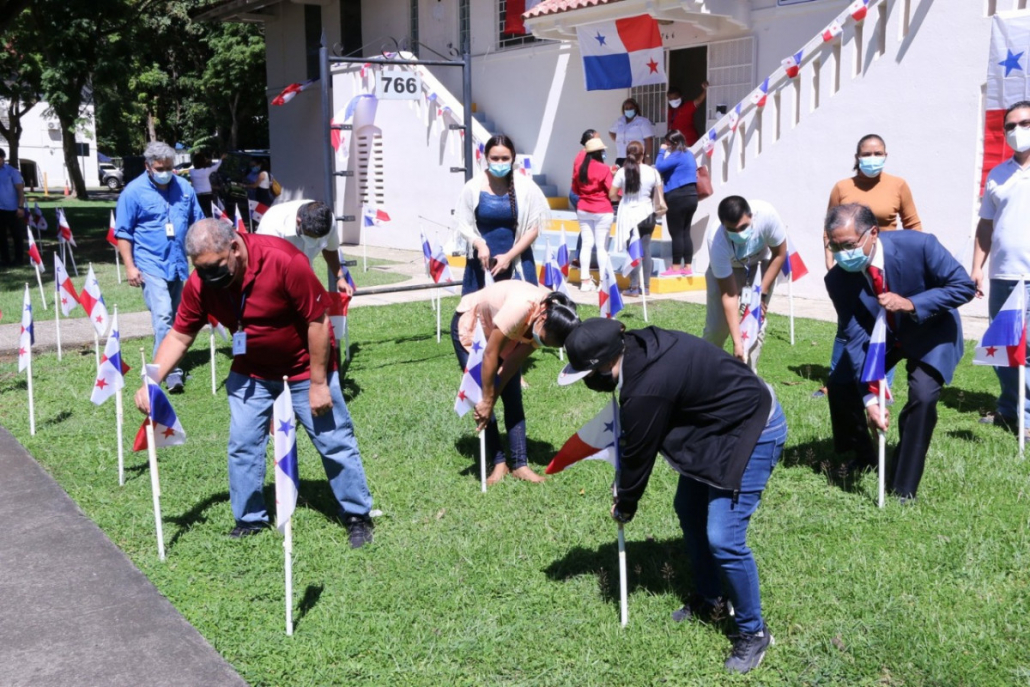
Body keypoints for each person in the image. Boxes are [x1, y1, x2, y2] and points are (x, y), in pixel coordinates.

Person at [558, 317, 787, 675]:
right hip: (716, 426)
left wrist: (626, 503)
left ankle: (753, 632)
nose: (587, 382)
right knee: (688, 509)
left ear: (603, 365)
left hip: (754, 426)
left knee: (724, 538)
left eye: (586, 374)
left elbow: (638, 454)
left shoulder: (645, 387)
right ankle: (711, 598)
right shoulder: (633, 347)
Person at [133, 219, 376, 545]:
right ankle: (249, 520)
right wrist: (152, 381)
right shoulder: (201, 283)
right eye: (200, 269)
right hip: (251, 373)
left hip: (305, 370)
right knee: (243, 445)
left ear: (234, 247)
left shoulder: (285, 261)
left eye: (215, 267)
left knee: (334, 443)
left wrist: (319, 384)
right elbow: (180, 334)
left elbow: (317, 323)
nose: (208, 276)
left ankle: (357, 515)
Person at [825, 204, 975, 503]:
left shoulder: (920, 245)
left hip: (931, 332)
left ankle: (903, 487)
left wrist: (911, 303)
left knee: (922, 396)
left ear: (873, 234)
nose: (843, 254)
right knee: (841, 384)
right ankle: (864, 454)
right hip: (883, 338)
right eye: (835, 246)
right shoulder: (838, 279)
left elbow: (963, 287)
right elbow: (854, 337)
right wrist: (869, 399)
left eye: (849, 245)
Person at [815, 134, 923, 398]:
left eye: (878, 153)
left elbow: (914, 226)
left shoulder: (898, 185)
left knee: (887, 324)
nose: (872, 158)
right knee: (847, 325)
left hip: (886, 267)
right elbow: (829, 226)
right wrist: (830, 258)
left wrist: (913, 262)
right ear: (857, 157)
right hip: (851, 266)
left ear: (886, 156)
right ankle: (836, 382)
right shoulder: (842, 187)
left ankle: (881, 384)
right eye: (867, 154)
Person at [452, 280, 579, 485]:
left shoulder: (551, 319)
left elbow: (513, 361)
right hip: (474, 328)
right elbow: (490, 353)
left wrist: (492, 397)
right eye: (544, 340)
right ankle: (498, 463)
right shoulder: (521, 307)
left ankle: (520, 465)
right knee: (482, 393)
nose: (542, 343)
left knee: (512, 396)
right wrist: (487, 399)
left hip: (506, 333)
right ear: (542, 318)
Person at [115, 141, 204, 393]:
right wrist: (130, 267)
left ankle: (166, 360)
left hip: (177, 264)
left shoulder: (185, 188)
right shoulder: (133, 192)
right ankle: (167, 371)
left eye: (169, 167)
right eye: (159, 167)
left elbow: (197, 223)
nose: (165, 171)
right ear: (148, 166)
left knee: (175, 317)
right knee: (163, 315)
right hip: (149, 263)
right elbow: (123, 233)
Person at [972, 100, 1030, 433]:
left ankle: (1028, 416)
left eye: (1024, 123)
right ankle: (1009, 408)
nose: (1016, 131)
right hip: (1003, 276)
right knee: (1005, 347)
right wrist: (977, 267)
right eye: (1010, 126)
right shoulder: (998, 174)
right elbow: (985, 227)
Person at [455, 134, 548, 295]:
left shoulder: (527, 188)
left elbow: (534, 228)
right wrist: (479, 244)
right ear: (486, 158)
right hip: (482, 263)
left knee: (521, 313)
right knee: (477, 314)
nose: (500, 163)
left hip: (518, 261)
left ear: (513, 158)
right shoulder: (472, 187)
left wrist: (508, 257)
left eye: (505, 158)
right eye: (495, 158)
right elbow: (464, 224)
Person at [702, 196, 787, 371]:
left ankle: (749, 377)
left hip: (759, 267)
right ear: (723, 226)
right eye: (732, 230)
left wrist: (762, 294)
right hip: (727, 271)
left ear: (751, 216)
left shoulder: (767, 215)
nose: (739, 233)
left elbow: (780, 254)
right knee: (716, 328)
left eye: (744, 227)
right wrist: (737, 342)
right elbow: (729, 295)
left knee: (755, 323)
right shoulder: (716, 241)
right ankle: (706, 373)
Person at [255, 199, 354, 296]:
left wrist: (340, 278)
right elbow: (269, 266)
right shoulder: (272, 225)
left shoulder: (327, 220)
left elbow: (330, 249)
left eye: (319, 239)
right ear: (298, 222)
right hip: (274, 277)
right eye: (310, 237)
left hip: (305, 274)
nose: (315, 242)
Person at [609, 140, 664, 297]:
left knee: (632, 251)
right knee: (646, 250)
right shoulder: (652, 172)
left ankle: (633, 287)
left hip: (628, 214)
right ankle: (645, 287)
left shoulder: (622, 172)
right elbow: (659, 193)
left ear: (627, 154)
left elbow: (612, 194)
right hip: (647, 213)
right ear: (644, 154)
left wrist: (621, 200)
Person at [571, 137, 614, 292]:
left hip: (584, 208)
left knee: (586, 245)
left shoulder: (580, 168)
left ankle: (585, 280)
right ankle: (603, 281)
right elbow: (611, 189)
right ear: (599, 152)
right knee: (602, 247)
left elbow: (575, 190)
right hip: (602, 209)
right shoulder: (604, 169)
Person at [654, 130, 699, 276]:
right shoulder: (689, 154)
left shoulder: (677, 154)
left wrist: (661, 151)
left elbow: (659, 166)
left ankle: (674, 267)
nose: (666, 145)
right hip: (692, 196)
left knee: (676, 233)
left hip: (677, 196)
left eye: (667, 143)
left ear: (673, 143)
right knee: (686, 232)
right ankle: (687, 266)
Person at [608, 98, 654, 166]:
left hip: (636, 156)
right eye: (626, 108)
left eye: (631, 108)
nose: (628, 110)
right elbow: (611, 132)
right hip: (621, 156)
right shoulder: (620, 121)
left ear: (635, 108)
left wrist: (647, 156)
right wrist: (619, 141)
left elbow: (649, 140)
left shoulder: (642, 121)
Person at [0, 147, 25, 266]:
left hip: (12, 209)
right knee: (1, 236)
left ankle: (19, 259)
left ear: (2, 158)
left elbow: (20, 191)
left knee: (16, 235)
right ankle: (5, 259)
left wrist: (20, 207)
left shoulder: (12, 172)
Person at [667, 82, 708, 146]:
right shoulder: (669, 112)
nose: (673, 100)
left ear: (681, 97)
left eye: (675, 98)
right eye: (670, 99)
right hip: (676, 144)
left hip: (690, 142)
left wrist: (706, 89)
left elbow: (699, 101)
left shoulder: (687, 107)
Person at [188, 152, 223, 218]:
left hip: (198, 195)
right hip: (208, 194)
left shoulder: (191, 172)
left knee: (201, 213)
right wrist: (221, 159)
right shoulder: (206, 171)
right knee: (210, 213)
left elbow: (194, 166)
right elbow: (216, 166)